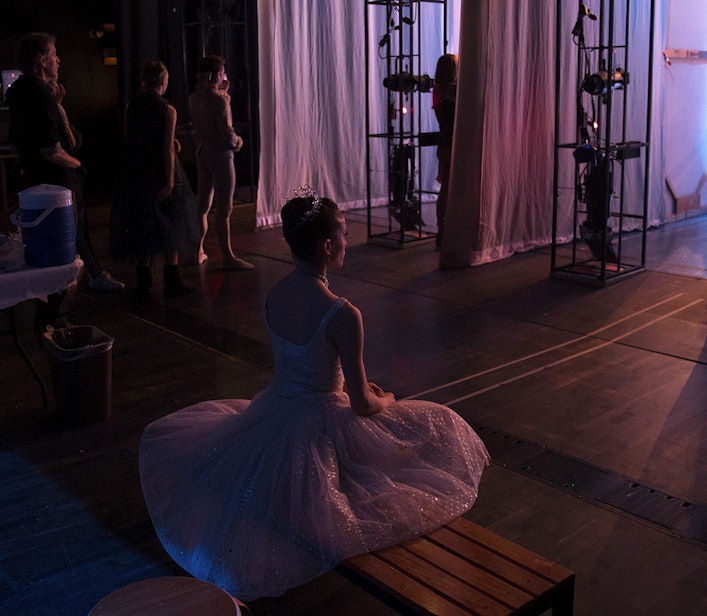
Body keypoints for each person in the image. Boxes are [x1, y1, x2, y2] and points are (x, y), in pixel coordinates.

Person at [138, 189, 489, 600]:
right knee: (439, 423)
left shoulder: (276, 294)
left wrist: (346, 384)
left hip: (277, 408)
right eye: (342, 234)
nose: (345, 241)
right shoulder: (341, 312)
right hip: (322, 419)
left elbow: (311, 366)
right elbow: (361, 404)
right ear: (326, 246)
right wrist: (389, 399)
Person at [5, 32, 124, 328]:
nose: (59, 59)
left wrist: (58, 106)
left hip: (39, 183)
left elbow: (18, 144)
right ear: (42, 60)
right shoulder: (39, 94)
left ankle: (52, 314)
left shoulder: (20, 92)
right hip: (59, 183)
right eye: (54, 54)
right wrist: (77, 164)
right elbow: (52, 149)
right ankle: (54, 320)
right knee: (64, 246)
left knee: (54, 245)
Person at [115, 60, 194, 297]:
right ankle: (173, 279)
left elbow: (141, 137)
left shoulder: (134, 104)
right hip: (159, 172)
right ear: (164, 81)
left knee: (142, 225)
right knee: (171, 225)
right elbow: (166, 150)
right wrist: (170, 181)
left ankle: (144, 279)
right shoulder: (167, 109)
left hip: (137, 171)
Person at [187, 54, 252, 270]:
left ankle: (198, 251)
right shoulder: (219, 101)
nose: (225, 75)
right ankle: (228, 257)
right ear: (217, 74)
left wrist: (224, 93)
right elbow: (227, 133)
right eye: (223, 72)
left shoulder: (194, 98)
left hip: (203, 153)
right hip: (221, 156)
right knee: (224, 209)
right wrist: (239, 142)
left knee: (203, 206)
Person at [432, 53, 458, 249]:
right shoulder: (454, 92)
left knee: (445, 190)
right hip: (454, 146)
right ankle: (448, 232)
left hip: (443, 146)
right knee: (452, 190)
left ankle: (442, 230)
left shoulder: (438, 90)